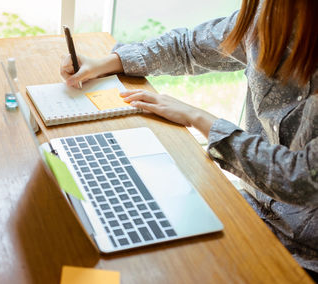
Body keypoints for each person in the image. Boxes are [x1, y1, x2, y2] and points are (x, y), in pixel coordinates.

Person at [60, 0, 317, 280]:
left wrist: (200, 118)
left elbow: (300, 178)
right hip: (253, 209)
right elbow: (189, 47)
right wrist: (109, 63)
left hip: (307, 254)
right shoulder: (268, 15)